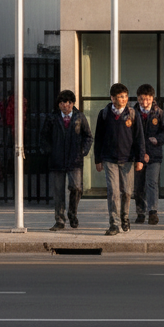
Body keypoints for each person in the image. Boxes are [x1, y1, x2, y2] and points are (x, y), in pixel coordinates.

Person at [94, 82, 145, 235]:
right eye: (119, 97)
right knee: (113, 192)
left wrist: (140, 159)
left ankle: (125, 217)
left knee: (127, 192)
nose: (123, 100)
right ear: (112, 98)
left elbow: (139, 138)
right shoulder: (104, 114)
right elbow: (99, 138)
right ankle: (114, 224)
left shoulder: (132, 114)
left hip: (127, 159)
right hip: (109, 159)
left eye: (125, 97)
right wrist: (98, 159)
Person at [40, 90, 93, 231]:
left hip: (74, 159)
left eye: (69, 102)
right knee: (58, 192)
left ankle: (72, 212)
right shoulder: (52, 118)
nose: (66, 105)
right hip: (57, 160)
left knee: (76, 187)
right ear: (59, 104)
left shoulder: (79, 117)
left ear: (73, 103)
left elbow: (88, 136)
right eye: (63, 102)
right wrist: (49, 150)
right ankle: (59, 220)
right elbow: (44, 137)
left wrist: (82, 151)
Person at [133, 84, 164, 226]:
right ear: (138, 99)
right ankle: (140, 212)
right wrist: (141, 154)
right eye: (142, 99)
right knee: (138, 185)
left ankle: (152, 212)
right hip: (138, 156)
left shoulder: (158, 112)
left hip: (154, 155)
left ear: (152, 98)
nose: (145, 102)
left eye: (148, 99)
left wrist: (158, 139)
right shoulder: (132, 113)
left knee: (152, 183)